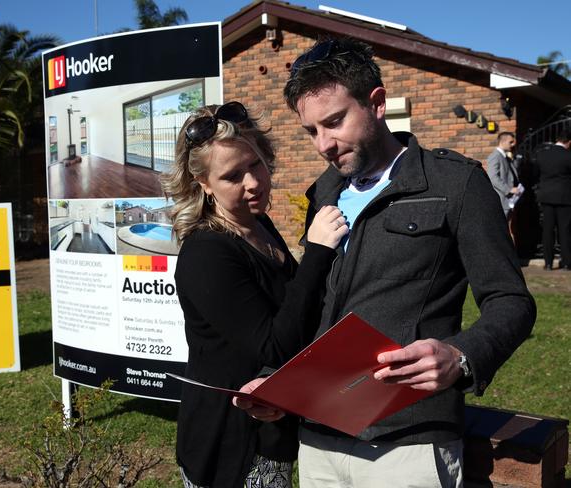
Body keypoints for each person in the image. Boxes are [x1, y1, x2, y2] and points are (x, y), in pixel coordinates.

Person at [236, 38, 536, 487]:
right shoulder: (324, 192)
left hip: (407, 440)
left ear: (376, 104)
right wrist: (273, 379)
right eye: (311, 131)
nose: (323, 145)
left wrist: (460, 355)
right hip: (318, 437)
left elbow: (511, 300)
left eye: (334, 122)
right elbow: (312, 304)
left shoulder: (455, 183)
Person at [161, 101, 349, 488]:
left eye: (255, 165)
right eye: (232, 176)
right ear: (204, 185)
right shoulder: (208, 252)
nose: (252, 182)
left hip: (272, 431)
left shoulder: (258, 224)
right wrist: (317, 252)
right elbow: (275, 346)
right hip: (230, 447)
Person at [532, 129, 571, 270]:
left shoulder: (542, 154)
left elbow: (535, 174)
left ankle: (548, 263)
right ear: (568, 142)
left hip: (546, 196)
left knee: (547, 230)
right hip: (565, 197)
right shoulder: (568, 155)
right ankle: (566, 262)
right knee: (564, 231)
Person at [487, 131, 522, 219]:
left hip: (508, 200)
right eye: (510, 142)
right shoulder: (495, 156)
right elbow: (493, 177)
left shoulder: (505, 156)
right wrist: (509, 189)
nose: (513, 144)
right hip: (501, 198)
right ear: (502, 142)